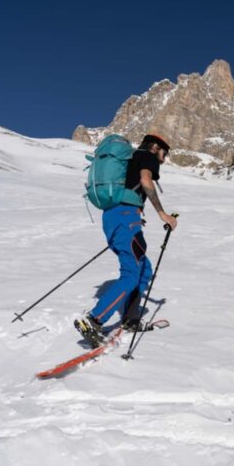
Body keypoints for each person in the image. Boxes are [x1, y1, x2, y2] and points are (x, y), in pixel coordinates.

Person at [75, 134, 178, 347]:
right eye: (164, 153)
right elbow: (145, 180)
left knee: (144, 269)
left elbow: (131, 186)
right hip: (125, 218)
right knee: (131, 273)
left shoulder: (131, 159)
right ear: (155, 147)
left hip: (115, 217)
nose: (164, 158)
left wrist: (134, 214)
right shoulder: (147, 156)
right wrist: (162, 213)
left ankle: (131, 319)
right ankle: (94, 320)